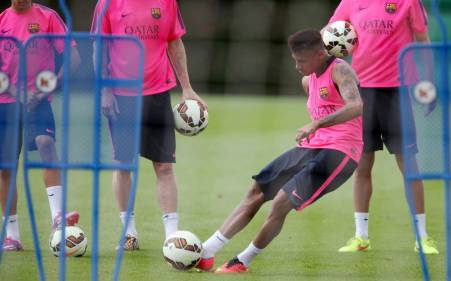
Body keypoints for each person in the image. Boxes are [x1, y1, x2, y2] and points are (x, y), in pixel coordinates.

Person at [195, 29, 363, 273]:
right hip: (312, 147)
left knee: (281, 203)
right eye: (295, 60)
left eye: (302, 61)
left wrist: (316, 123)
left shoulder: (340, 70)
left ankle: (242, 261)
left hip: (342, 152)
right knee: (257, 190)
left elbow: (356, 106)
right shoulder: (308, 80)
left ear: (319, 54)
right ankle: (206, 251)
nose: (297, 66)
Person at [91, 0, 207, 250]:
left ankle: (172, 235)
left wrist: (187, 87)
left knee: (164, 165)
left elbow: (174, 42)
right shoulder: (107, 3)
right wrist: (104, 90)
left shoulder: (166, 2)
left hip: (157, 93)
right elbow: (98, 46)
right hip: (121, 95)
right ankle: (128, 233)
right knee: (123, 165)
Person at [330, 0, 438, 254]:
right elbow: (332, 36)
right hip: (361, 94)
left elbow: (423, 41)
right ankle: (361, 237)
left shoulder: (408, 2)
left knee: (409, 165)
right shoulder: (350, 2)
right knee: (362, 166)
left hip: (397, 93)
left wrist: (431, 81)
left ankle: (422, 237)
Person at [0, 0, 81, 251]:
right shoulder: (2, 21)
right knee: (5, 168)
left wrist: (47, 88)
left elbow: (74, 58)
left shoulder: (48, 17)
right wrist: (14, 90)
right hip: (5, 100)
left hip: (38, 100)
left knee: (46, 143)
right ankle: (11, 235)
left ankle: (58, 216)